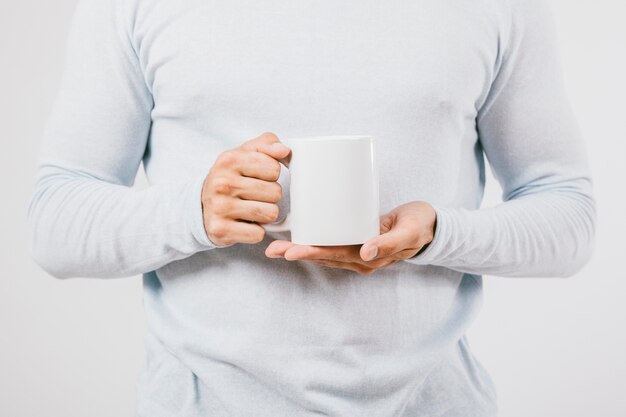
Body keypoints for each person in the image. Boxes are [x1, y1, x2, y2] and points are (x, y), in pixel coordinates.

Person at [27, 0, 596, 415]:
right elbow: (56, 223)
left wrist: (438, 233)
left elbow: (568, 217)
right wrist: (195, 212)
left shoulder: (500, 9)